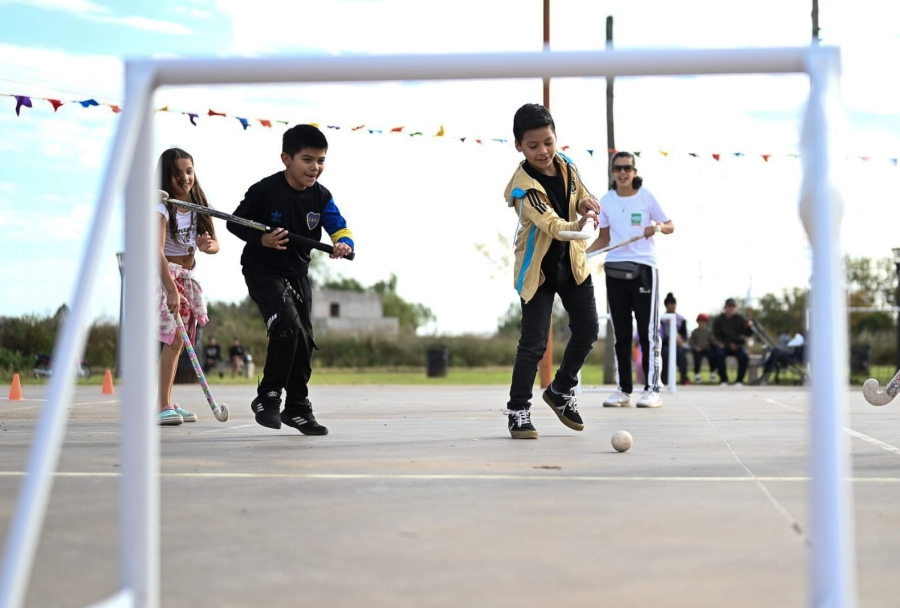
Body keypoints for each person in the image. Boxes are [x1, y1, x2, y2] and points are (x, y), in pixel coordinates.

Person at [227, 124, 353, 436]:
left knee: (305, 341)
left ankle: (297, 407)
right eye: (307, 160)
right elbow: (235, 223)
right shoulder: (265, 190)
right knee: (287, 326)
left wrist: (344, 243)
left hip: (297, 274)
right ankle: (268, 397)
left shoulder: (321, 197)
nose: (315, 168)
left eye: (321, 161)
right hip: (262, 269)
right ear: (287, 158)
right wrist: (262, 239)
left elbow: (339, 226)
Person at [502, 103, 600, 439]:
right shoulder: (524, 187)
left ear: (556, 138)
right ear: (519, 146)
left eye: (548, 142)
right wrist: (581, 225)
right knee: (533, 343)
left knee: (588, 330)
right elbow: (553, 225)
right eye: (533, 146)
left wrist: (588, 204)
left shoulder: (568, 165)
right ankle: (518, 409)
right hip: (539, 272)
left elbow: (582, 193)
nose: (543, 151)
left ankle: (560, 390)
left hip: (572, 263)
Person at [588, 151, 674, 408]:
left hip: (645, 267)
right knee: (621, 332)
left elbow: (670, 225)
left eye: (627, 168)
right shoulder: (606, 200)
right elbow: (604, 239)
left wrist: (657, 227)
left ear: (635, 171)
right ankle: (623, 390)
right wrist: (581, 255)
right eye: (618, 169)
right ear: (612, 173)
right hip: (614, 268)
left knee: (648, 331)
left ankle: (652, 389)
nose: (622, 172)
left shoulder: (646, 197)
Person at [156, 148, 219, 426]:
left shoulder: (199, 205)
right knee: (174, 339)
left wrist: (207, 246)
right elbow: (155, 250)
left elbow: (215, 244)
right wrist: (170, 289)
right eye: (177, 172)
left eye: (189, 171)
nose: (184, 178)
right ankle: (162, 405)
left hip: (187, 275)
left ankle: (167, 402)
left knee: (179, 341)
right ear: (165, 176)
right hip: (164, 276)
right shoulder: (161, 206)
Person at [712, 297, 754, 386]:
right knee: (718, 355)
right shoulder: (719, 320)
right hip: (724, 345)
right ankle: (723, 380)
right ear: (725, 308)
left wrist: (749, 327)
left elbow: (748, 334)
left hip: (738, 345)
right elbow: (716, 336)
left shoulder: (741, 319)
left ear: (736, 308)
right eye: (729, 306)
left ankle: (739, 381)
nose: (731, 308)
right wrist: (726, 345)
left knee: (744, 355)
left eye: (733, 306)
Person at [659, 292, 688, 386]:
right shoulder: (662, 319)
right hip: (666, 344)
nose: (673, 306)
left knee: (681, 353)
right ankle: (665, 379)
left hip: (678, 344)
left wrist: (681, 340)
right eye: (670, 304)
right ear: (666, 305)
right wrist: (667, 341)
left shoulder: (681, 319)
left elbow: (685, 334)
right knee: (665, 353)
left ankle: (684, 378)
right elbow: (659, 334)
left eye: (674, 304)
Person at [690, 313, 717, 383]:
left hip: (707, 348)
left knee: (712, 357)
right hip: (698, 349)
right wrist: (695, 347)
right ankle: (697, 375)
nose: (701, 323)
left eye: (703, 321)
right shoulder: (694, 332)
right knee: (697, 358)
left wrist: (718, 345)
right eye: (700, 321)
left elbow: (713, 341)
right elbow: (691, 342)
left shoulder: (708, 332)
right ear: (697, 322)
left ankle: (712, 373)